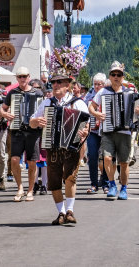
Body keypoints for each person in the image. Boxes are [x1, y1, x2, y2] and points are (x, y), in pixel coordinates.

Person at [30, 74, 89, 225]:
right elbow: (31, 122)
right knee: (54, 182)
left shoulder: (77, 103)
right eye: (53, 82)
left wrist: (84, 132)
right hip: (53, 146)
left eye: (59, 82)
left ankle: (70, 210)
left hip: (71, 146)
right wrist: (37, 121)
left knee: (70, 178)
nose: (55, 85)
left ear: (67, 85)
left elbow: (86, 124)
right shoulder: (47, 103)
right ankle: (61, 212)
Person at [89, 61, 139, 200]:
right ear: (110, 76)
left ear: (122, 77)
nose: (116, 77)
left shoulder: (130, 92)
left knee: (124, 162)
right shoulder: (103, 91)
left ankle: (124, 188)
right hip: (107, 131)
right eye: (113, 74)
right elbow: (91, 106)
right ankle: (112, 184)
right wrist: (97, 114)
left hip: (124, 131)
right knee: (107, 159)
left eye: (119, 74)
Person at [0, 67, 44, 202]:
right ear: (17, 78)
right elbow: (3, 109)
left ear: (29, 77)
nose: (22, 79)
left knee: (32, 162)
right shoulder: (12, 93)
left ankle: (30, 190)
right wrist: (5, 114)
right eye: (20, 77)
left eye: (24, 76)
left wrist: (41, 122)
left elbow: (44, 110)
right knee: (14, 159)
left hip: (33, 132)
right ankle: (19, 187)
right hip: (17, 130)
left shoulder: (38, 93)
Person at [84, 73, 110, 194]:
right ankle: (94, 184)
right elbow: (84, 112)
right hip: (93, 130)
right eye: (95, 84)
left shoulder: (108, 93)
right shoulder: (89, 95)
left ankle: (106, 183)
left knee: (106, 157)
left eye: (99, 84)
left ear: (104, 84)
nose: (97, 86)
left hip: (105, 130)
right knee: (92, 156)